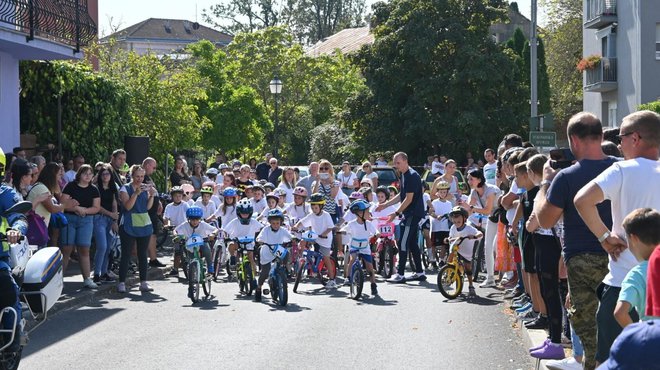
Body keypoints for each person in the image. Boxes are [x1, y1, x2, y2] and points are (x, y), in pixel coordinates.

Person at [575, 110, 660, 367]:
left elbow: (582, 199)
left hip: (623, 285)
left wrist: (604, 237)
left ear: (635, 138)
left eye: (621, 137)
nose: (618, 144)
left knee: (610, 363)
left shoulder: (622, 170)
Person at [534, 112, 617, 370]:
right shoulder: (621, 167)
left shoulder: (566, 177)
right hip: (621, 255)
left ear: (573, 140)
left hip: (582, 259)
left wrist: (544, 185)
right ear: (601, 136)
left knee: (588, 327)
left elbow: (545, 220)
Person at [376, 152, 426, 283]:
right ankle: (420, 272)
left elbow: (408, 199)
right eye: (395, 163)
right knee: (412, 243)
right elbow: (402, 195)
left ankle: (400, 274)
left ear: (405, 161)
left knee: (402, 242)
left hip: (412, 214)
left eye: (398, 163)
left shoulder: (412, 176)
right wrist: (386, 204)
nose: (396, 165)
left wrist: (396, 213)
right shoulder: (403, 175)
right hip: (409, 213)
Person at [0, 148, 28, 353]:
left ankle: (12, 341)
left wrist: (15, 230)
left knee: (9, 292)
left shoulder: (5, 193)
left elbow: (19, 216)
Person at [613, 208, 660, 328]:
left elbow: (620, 313)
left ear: (633, 239)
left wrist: (636, 334)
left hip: (652, 340)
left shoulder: (637, 275)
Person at [59, 164, 101, 288]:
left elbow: (96, 207)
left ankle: (87, 279)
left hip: (86, 220)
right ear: (79, 174)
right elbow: (62, 204)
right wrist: (76, 208)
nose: (88, 176)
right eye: (85, 173)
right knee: (66, 249)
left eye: (90, 174)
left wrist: (84, 211)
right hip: (69, 219)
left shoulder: (94, 189)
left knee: (84, 248)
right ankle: (58, 279)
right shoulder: (70, 186)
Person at [117, 165, 157, 293]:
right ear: (132, 176)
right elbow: (128, 206)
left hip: (143, 224)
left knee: (142, 254)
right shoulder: (125, 189)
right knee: (126, 254)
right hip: (128, 225)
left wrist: (151, 196)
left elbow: (147, 207)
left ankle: (143, 282)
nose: (140, 179)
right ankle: (122, 282)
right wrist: (135, 193)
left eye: (142, 176)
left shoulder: (145, 188)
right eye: (137, 176)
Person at [464, 168, 501, 288]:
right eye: (468, 178)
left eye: (471, 179)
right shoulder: (474, 191)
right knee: (487, 246)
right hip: (493, 218)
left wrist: (472, 208)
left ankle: (507, 274)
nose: (469, 181)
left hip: (503, 218)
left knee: (497, 246)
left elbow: (487, 210)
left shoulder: (490, 190)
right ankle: (490, 278)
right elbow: (470, 206)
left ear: (479, 179)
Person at [294, 193, 338, 288]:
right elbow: (302, 222)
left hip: (325, 239)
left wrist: (324, 234)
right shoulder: (312, 215)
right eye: (312, 208)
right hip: (315, 236)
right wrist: (295, 227)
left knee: (326, 258)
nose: (314, 210)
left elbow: (330, 227)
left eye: (316, 208)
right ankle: (302, 260)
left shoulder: (326, 215)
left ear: (321, 206)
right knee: (303, 240)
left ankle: (332, 279)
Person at [340, 200, 379, 295]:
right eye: (367, 211)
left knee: (370, 267)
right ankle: (348, 278)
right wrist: (342, 231)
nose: (369, 213)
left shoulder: (369, 224)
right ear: (360, 213)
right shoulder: (352, 224)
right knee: (352, 259)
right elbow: (344, 229)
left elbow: (375, 231)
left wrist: (377, 234)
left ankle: (373, 284)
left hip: (365, 247)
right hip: (354, 246)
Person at [174, 206, 217, 289]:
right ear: (188, 219)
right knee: (190, 262)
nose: (194, 222)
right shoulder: (185, 225)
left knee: (207, 249)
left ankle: (210, 267)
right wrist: (176, 236)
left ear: (200, 219)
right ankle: (192, 281)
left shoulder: (203, 224)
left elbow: (215, 229)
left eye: (197, 219)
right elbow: (175, 230)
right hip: (190, 246)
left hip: (202, 243)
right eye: (192, 219)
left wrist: (213, 234)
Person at [254, 209, 293, 302]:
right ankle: (259, 287)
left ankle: (284, 269)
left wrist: (293, 238)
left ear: (281, 223)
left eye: (278, 223)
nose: (276, 225)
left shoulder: (283, 230)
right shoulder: (266, 230)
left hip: (277, 249)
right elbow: (259, 237)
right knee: (265, 271)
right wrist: (260, 240)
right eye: (273, 223)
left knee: (286, 253)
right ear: (270, 223)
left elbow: (290, 236)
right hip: (267, 251)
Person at [445, 206, 483, 297]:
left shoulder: (469, 228)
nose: (456, 221)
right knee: (450, 256)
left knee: (468, 268)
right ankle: (448, 271)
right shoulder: (453, 228)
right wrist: (448, 239)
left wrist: (474, 236)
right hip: (456, 249)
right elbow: (450, 237)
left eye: (458, 218)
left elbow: (480, 234)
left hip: (466, 252)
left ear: (464, 218)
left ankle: (471, 286)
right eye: (454, 218)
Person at [92, 164, 119, 285]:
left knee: (108, 247)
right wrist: (110, 214)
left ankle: (104, 272)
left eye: (108, 174)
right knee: (102, 246)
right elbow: (97, 207)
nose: (105, 176)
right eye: (103, 174)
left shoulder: (113, 187)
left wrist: (115, 219)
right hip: (99, 218)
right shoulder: (96, 188)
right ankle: (96, 274)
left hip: (110, 220)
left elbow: (114, 203)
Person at [224, 198, 263, 278]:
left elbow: (262, 228)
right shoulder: (235, 221)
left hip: (249, 243)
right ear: (238, 212)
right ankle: (233, 259)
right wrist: (226, 236)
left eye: (247, 213)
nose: (245, 215)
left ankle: (254, 277)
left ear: (250, 213)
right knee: (231, 245)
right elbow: (226, 230)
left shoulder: (253, 221)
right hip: (237, 242)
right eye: (243, 213)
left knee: (251, 258)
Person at [142, 157, 166, 268]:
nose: (154, 170)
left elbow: (154, 192)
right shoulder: (141, 177)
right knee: (148, 235)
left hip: (153, 211)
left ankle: (153, 258)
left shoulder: (148, 178)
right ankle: (144, 260)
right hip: (146, 211)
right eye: (153, 167)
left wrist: (159, 203)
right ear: (147, 165)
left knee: (153, 235)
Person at [164, 187, 189, 276]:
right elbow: (166, 218)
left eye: (179, 196)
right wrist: (166, 224)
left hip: (186, 229)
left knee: (191, 246)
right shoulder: (169, 206)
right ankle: (175, 269)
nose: (178, 198)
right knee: (177, 250)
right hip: (176, 230)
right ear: (172, 197)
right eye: (175, 196)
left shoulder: (185, 205)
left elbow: (189, 214)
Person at [311, 160, 340, 224]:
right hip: (318, 212)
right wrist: (318, 181)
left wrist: (331, 182)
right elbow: (314, 195)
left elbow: (333, 196)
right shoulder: (315, 183)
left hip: (331, 213)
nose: (323, 170)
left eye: (326, 168)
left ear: (330, 170)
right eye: (321, 168)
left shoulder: (336, 183)